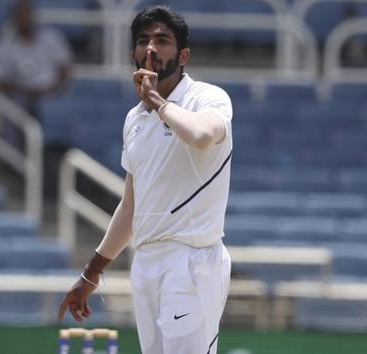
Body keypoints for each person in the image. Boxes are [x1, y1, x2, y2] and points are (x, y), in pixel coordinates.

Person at [58, 5, 233, 354]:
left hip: (192, 258)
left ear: (183, 55)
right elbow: (131, 204)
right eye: (143, 41)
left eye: (162, 40)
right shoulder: (134, 119)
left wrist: (156, 100)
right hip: (147, 262)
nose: (150, 48)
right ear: (134, 54)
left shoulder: (207, 98)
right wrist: (93, 271)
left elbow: (201, 136)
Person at [0, 0, 72, 118]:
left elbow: (65, 68)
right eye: (21, 15)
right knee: (14, 109)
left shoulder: (52, 37)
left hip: (51, 94)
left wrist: (54, 89)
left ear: (34, 16)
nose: (25, 19)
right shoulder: (3, 46)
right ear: (14, 18)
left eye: (27, 14)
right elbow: (0, 81)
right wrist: (27, 92)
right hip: (19, 96)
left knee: (60, 107)